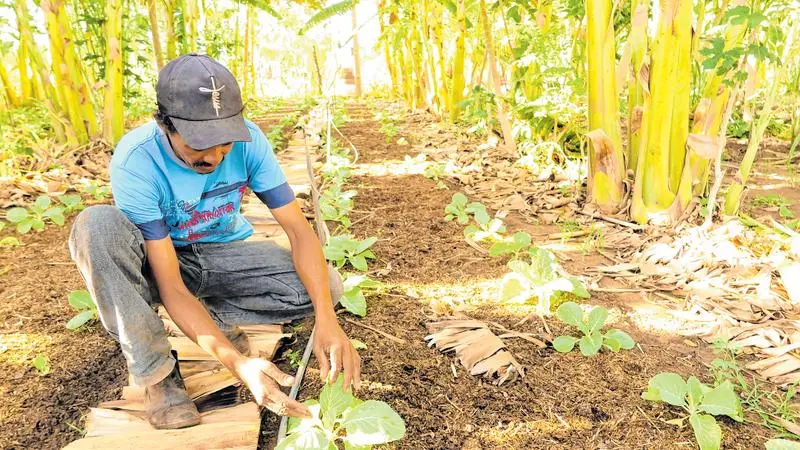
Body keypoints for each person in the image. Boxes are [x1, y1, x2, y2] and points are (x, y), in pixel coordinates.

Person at [69, 54, 360, 429]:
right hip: (159, 264)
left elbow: (299, 232)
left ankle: (212, 322)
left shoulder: (250, 141)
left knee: (327, 286)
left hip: (221, 254)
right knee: (96, 226)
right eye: (199, 144)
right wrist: (237, 364)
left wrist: (327, 319)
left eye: (224, 143)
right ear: (165, 124)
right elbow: (171, 285)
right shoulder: (136, 161)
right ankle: (157, 376)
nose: (214, 156)